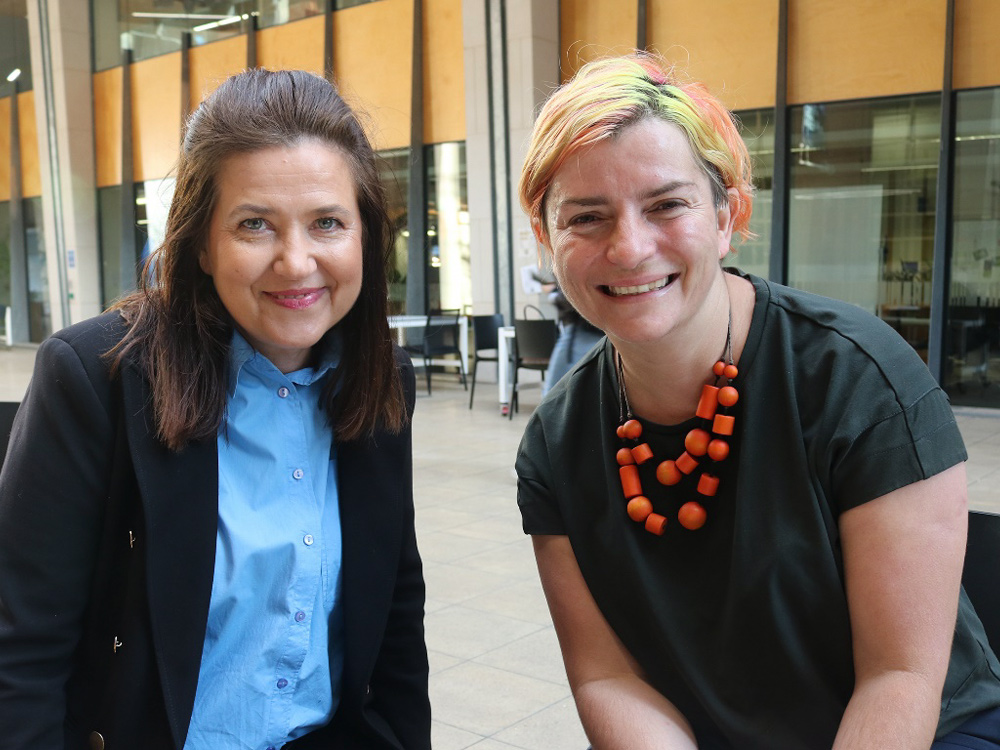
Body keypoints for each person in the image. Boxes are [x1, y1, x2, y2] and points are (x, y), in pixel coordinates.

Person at [514, 53, 1000, 749]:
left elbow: (900, 676)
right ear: (547, 237)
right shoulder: (556, 442)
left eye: (666, 205)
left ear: (727, 214)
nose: (629, 248)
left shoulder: (857, 379)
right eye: (586, 218)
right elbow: (607, 678)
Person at [0, 69, 430, 750]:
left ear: (366, 237)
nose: (297, 262)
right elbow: (23, 650)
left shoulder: (382, 379)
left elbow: (397, 608)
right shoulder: (96, 377)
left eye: (327, 223)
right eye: (254, 224)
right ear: (201, 243)